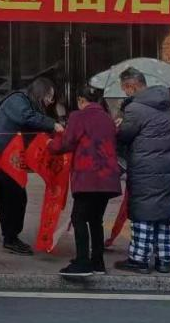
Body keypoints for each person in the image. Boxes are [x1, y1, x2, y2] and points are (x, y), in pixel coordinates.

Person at [49, 85, 121, 277]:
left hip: (88, 176)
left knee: (78, 218)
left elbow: (67, 143)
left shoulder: (78, 116)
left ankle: (82, 262)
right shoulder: (108, 118)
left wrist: (50, 144)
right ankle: (97, 262)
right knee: (96, 220)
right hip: (108, 178)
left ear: (81, 100)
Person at [113, 68, 170, 275]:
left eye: (125, 89)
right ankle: (164, 260)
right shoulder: (166, 105)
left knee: (143, 212)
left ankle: (139, 259)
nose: (125, 93)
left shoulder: (136, 108)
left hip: (145, 168)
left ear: (132, 86)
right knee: (163, 213)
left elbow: (124, 136)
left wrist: (119, 124)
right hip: (167, 167)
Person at [0, 76, 64, 256]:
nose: (50, 101)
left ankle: (10, 236)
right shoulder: (18, 100)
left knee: (14, 197)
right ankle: (10, 238)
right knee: (13, 198)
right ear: (40, 92)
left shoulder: (27, 103)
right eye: (48, 96)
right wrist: (52, 124)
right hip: (4, 158)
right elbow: (26, 118)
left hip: (11, 157)